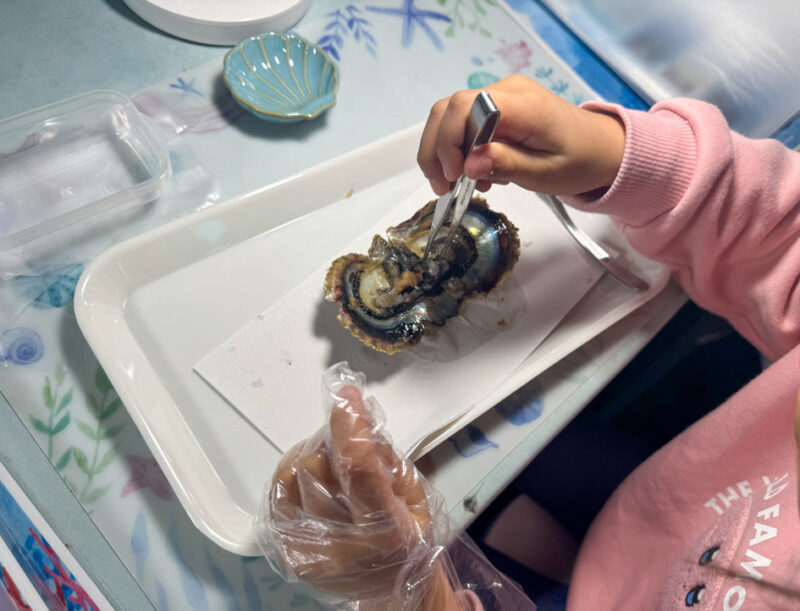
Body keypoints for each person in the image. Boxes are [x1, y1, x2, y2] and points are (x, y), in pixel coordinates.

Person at [261, 74, 800, 609]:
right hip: (672, 495)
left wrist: (416, 596)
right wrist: (627, 159)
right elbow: (781, 242)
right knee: (489, 453)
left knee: (448, 487)